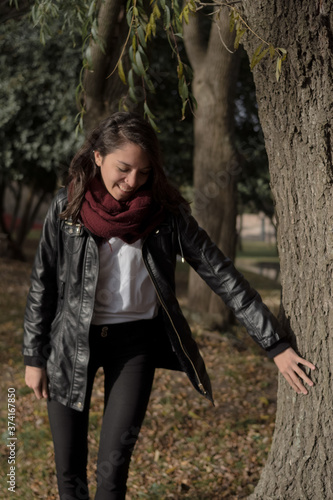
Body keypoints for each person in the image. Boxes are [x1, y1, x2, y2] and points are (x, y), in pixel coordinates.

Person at [23, 112, 315, 500]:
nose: (132, 182)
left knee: (112, 475)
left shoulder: (167, 215)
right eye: (123, 169)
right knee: (69, 474)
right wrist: (33, 356)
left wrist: (274, 344)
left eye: (143, 172)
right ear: (97, 157)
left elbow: (221, 274)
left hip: (135, 347)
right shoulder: (67, 208)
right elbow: (42, 283)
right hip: (70, 342)